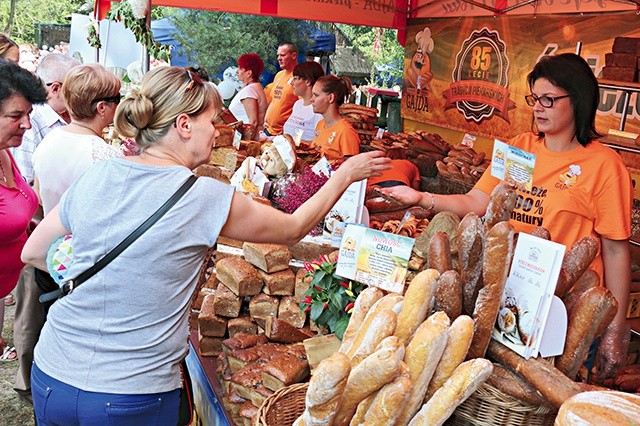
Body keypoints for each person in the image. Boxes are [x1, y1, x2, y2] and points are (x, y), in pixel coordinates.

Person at [21, 66, 390, 425]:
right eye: (211, 121)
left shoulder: (99, 173)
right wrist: (345, 175)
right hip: (130, 396)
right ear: (183, 125)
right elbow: (294, 228)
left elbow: (35, 252)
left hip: (52, 374)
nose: (216, 132)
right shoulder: (202, 197)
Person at [382, 53, 632, 380]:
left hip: (564, 309)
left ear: (578, 100)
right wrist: (424, 198)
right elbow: (478, 201)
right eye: (534, 99)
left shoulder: (604, 166)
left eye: (548, 99)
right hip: (506, 295)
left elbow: (615, 250)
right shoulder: (520, 147)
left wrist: (615, 326)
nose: (537, 107)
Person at [10, 52, 80, 404]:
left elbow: (27, 190)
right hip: (28, 250)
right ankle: (26, 384)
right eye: (15, 117)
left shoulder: (10, 146)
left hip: (32, 247)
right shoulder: (34, 125)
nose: (24, 123)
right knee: (28, 316)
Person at [0, 59, 48, 362]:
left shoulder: (5, 152)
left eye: (29, 114)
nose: (28, 124)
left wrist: (25, 226)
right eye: (16, 116)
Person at [33, 63, 122, 217]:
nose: (118, 105)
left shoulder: (49, 140)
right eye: (117, 98)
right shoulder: (106, 155)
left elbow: (39, 197)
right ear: (101, 107)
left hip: (54, 237)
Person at [311, 74, 360, 163]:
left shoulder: (346, 132)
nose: (311, 99)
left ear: (331, 98)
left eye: (316, 95)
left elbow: (352, 168)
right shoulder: (320, 124)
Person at [282, 61, 324, 144]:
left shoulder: (319, 110)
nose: (291, 83)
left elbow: (318, 144)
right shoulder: (297, 104)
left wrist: (290, 142)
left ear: (308, 81)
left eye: (295, 78)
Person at [228, 53, 267, 140]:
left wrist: (246, 144)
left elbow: (253, 122)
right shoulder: (254, 87)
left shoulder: (249, 91)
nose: (237, 71)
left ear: (249, 73)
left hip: (248, 141)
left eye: (240, 68)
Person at [263, 42, 299, 136]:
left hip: (283, 133)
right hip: (268, 129)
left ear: (293, 55)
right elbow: (273, 100)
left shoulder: (299, 77)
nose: (279, 58)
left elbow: (302, 107)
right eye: (278, 55)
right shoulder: (279, 75)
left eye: (282, 55)